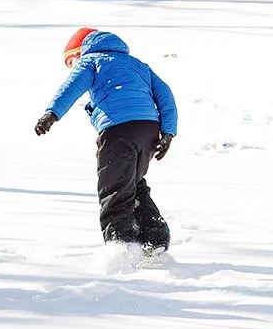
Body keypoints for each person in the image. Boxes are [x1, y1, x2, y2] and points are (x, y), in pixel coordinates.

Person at [34, 28, 177, 255]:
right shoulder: (138, 65)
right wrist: (168, 132)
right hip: (149, 130)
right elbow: (165, 94)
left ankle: (121, 247)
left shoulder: (90, 61)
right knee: (133, 183)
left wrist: (51, 114)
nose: (71, 68)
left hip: (119, 130)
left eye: (70, 62)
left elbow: (71, 87)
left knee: (114, 188)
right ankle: (155, 238)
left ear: (79, 52)